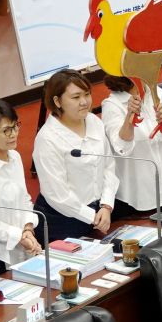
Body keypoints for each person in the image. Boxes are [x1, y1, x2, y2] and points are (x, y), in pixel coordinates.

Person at [31, 69, 118, 242]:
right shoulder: (47, 139)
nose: (84, 102)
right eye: (76, 97)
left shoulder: (93, 121)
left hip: (99, 214)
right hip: (62, 222)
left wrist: (106, 205)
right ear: (57, 101)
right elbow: (58, 195)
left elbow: (108, 166)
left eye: (87, 94)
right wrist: (92, 216)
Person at [100, 74, 162, 215]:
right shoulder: (112, 105)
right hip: (135, 196)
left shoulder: (156, 92)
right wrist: (129, 117)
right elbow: (121, 148)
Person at [0, 99, 41, 273]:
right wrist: (19, 236)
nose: (14, 134)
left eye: (15, 126)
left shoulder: (15, 157)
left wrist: (28, 228)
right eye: (6, 130)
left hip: (26, 243)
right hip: (1, 257)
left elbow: (25, 199)